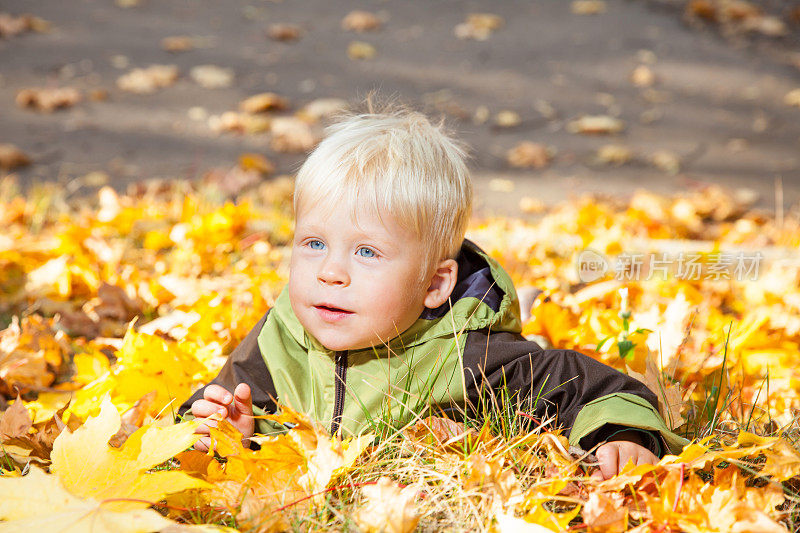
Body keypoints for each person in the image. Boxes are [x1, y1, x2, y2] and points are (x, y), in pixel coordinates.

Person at [179, 107, 687, 480]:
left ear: (434, 284)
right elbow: (212, 408)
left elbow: (590, 388)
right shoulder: (282, 335)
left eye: (367, 253)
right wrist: (227, 430)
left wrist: (624, 434)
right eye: (314, 243)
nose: (331, 272)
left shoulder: (468, 357)